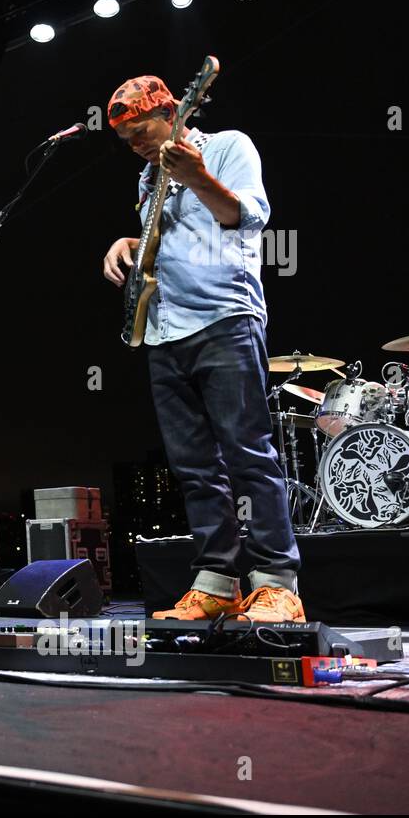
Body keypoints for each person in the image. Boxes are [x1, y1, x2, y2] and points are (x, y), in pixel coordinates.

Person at [101, 74, 303, 622]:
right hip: (164, 332)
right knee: (192, 467)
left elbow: (246, 218)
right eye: (127, 138)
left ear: (173, 112)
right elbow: (164, 246)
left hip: (224, 320)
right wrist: (129, 242)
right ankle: (216, 582)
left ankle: (277, 584)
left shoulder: (229, 147)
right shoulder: (147, 180)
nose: (137, 143)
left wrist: (199, 177)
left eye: (143, 130)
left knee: (248, 454)